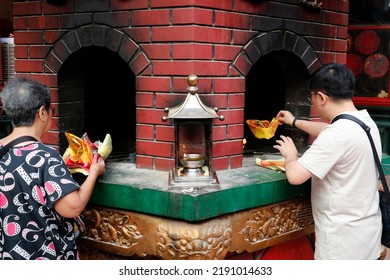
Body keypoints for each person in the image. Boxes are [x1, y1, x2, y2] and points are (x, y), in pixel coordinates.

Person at [273, 63, 382, 259]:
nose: (313, 102)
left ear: (321, 97)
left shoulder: (338, 135)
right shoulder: (365, 122)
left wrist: (290, 155)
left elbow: (295, 176)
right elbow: (327, 131)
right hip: (367, 233)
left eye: (312, 98)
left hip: (341, 243)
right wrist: (294, 121)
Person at [0, 77, 105, 260]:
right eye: (51, 111)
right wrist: (95, 171)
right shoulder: (45, 157)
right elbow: (72, 208)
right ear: (42, 112)